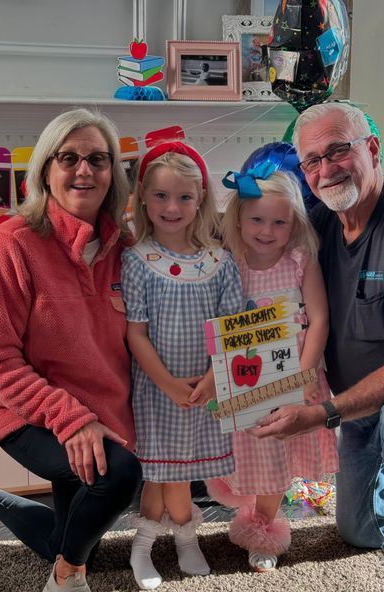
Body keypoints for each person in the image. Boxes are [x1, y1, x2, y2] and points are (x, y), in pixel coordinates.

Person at [0, 108, 143, 592]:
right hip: (30, 414)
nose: (85, 170)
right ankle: (66, 578)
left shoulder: (126, 248)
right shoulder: (11, 243)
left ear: (112, 173)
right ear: (45, 170)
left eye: (98, 159)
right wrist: (72, 418)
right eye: (69, 157)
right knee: (119, 476)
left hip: (101, 412)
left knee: (72, 535)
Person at [250, 102, 384, 592]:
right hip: (356, 411)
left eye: (338, 151)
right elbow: (247, 233)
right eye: (312, 160)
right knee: (360, 532)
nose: (325, 169)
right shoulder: (320, 224)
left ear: (371, 149)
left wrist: (321, 413)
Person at [121, 141, 243, 590]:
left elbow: (232, 328)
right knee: (161, 469)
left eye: (184, 197)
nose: (172, 207)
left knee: (178, 469)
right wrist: (169, 383)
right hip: (157, 387)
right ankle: (174, 538)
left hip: (206, 385)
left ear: (201, 199)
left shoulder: (220, 262)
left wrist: (214, 377)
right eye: (161, 196)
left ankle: (162, 542)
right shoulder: (136, 261)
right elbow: (136, 333)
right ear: (143, 198)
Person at [207, 169, 338, 572]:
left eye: (279, 222)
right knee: (248, 453)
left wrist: (301, 380)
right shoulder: (228, 261)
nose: (267, 230)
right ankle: (245, 514)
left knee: (278, 455)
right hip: (243, 375)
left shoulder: (300, 260)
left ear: (294, 224)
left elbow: (319, 320)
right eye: (257, 220)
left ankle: (264, 526)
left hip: (293, 375)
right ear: (240, 219)